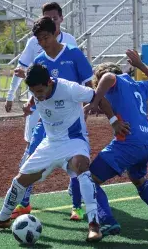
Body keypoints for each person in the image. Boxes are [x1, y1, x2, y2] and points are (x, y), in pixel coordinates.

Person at [0, 64, 130, 242]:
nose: (38, 95)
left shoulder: (69, 88)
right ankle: (2, 219)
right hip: (50, 143)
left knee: (82, 167)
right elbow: (38, 99)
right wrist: (30, 104)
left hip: (74, 140)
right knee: (20, 180)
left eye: (40, 91)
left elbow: (99, 97)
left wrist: (113, 121)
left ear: (49, 82)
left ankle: (94, 225)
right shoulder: (37, 91)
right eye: (34, 92)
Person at [14, 15, 94, 221]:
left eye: (45, 37)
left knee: (74, 163)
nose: (42, 42)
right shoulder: (39, 61)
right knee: (30, 156)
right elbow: (37, 90)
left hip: (71, 119)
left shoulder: (74, 54)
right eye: (39, 39)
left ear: (56, 32)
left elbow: (88, 85)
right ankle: (24, 203)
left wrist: (87, 108)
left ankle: (78, 207)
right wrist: (30, 104)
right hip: (46, 120)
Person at [84, 49, 148, 237]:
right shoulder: (139, 86)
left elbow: (107, 77)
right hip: (147, 141)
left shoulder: (114, 81)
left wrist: (94, 102)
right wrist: (140, 65)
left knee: (89, 180)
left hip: (129, 142)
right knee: (139, 179)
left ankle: (108, 221)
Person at [4, 2, 78, 219]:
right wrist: (11, 96)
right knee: (32, 153)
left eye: (54, 18)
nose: (51, 22)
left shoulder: (70, 42)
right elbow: (22, 70)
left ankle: (77, 195)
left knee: (72, 152)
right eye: (47, 18)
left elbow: (75, 76)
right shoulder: (33, 43)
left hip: (64, 109)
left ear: (61, 19)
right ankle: (25, 202)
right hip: (39, 106)